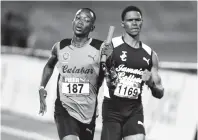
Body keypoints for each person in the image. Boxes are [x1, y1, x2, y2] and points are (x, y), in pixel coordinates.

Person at [38, 8, 106, 140]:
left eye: (86, 20)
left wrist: (109, 59)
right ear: (73, 21)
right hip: (64, 107)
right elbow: (49, 65)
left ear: (92, 27)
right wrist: (42, 87)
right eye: (78, 18)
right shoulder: (60, 46)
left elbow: (107, 74)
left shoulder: (99, 48)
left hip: (88, 111)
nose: (80, 23)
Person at [101, 5, 164, 140]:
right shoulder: (110, 46)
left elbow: (160, 92)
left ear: (142, 22)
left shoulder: (150, 54)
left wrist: (150, 83)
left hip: (134, 111)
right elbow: (99, 74)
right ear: (122, 24)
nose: (134, 23)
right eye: (130, 20)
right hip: (112, 109)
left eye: (137, 19)